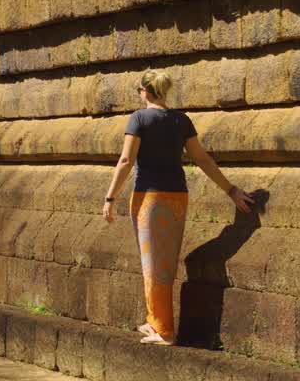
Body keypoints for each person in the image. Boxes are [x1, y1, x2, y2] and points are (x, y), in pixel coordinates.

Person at [102, 69, 255, 345]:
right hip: (177, 197)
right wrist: (231, 190)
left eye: (139, 90)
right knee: (165, 262)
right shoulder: (181, 120)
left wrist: (110, 197)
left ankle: (165, 330)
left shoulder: (139, 118)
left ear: (145, 92)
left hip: (149, 197)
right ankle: (155, 321)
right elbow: (203, 159)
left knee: (153, 264)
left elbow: (126, 161)